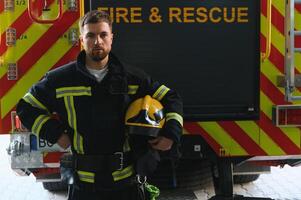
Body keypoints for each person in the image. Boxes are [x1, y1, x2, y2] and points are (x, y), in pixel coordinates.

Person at [16, 10, 183, 200]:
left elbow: (171, 98)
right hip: (83, 186)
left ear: (111, 38)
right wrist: (55, 134)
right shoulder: (60, 80)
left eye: (103, 35)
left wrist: (171, 135)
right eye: (91, 35)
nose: (97, 41)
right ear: (82, 39)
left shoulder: (134, 78)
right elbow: (26, 107)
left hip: (125, 184)